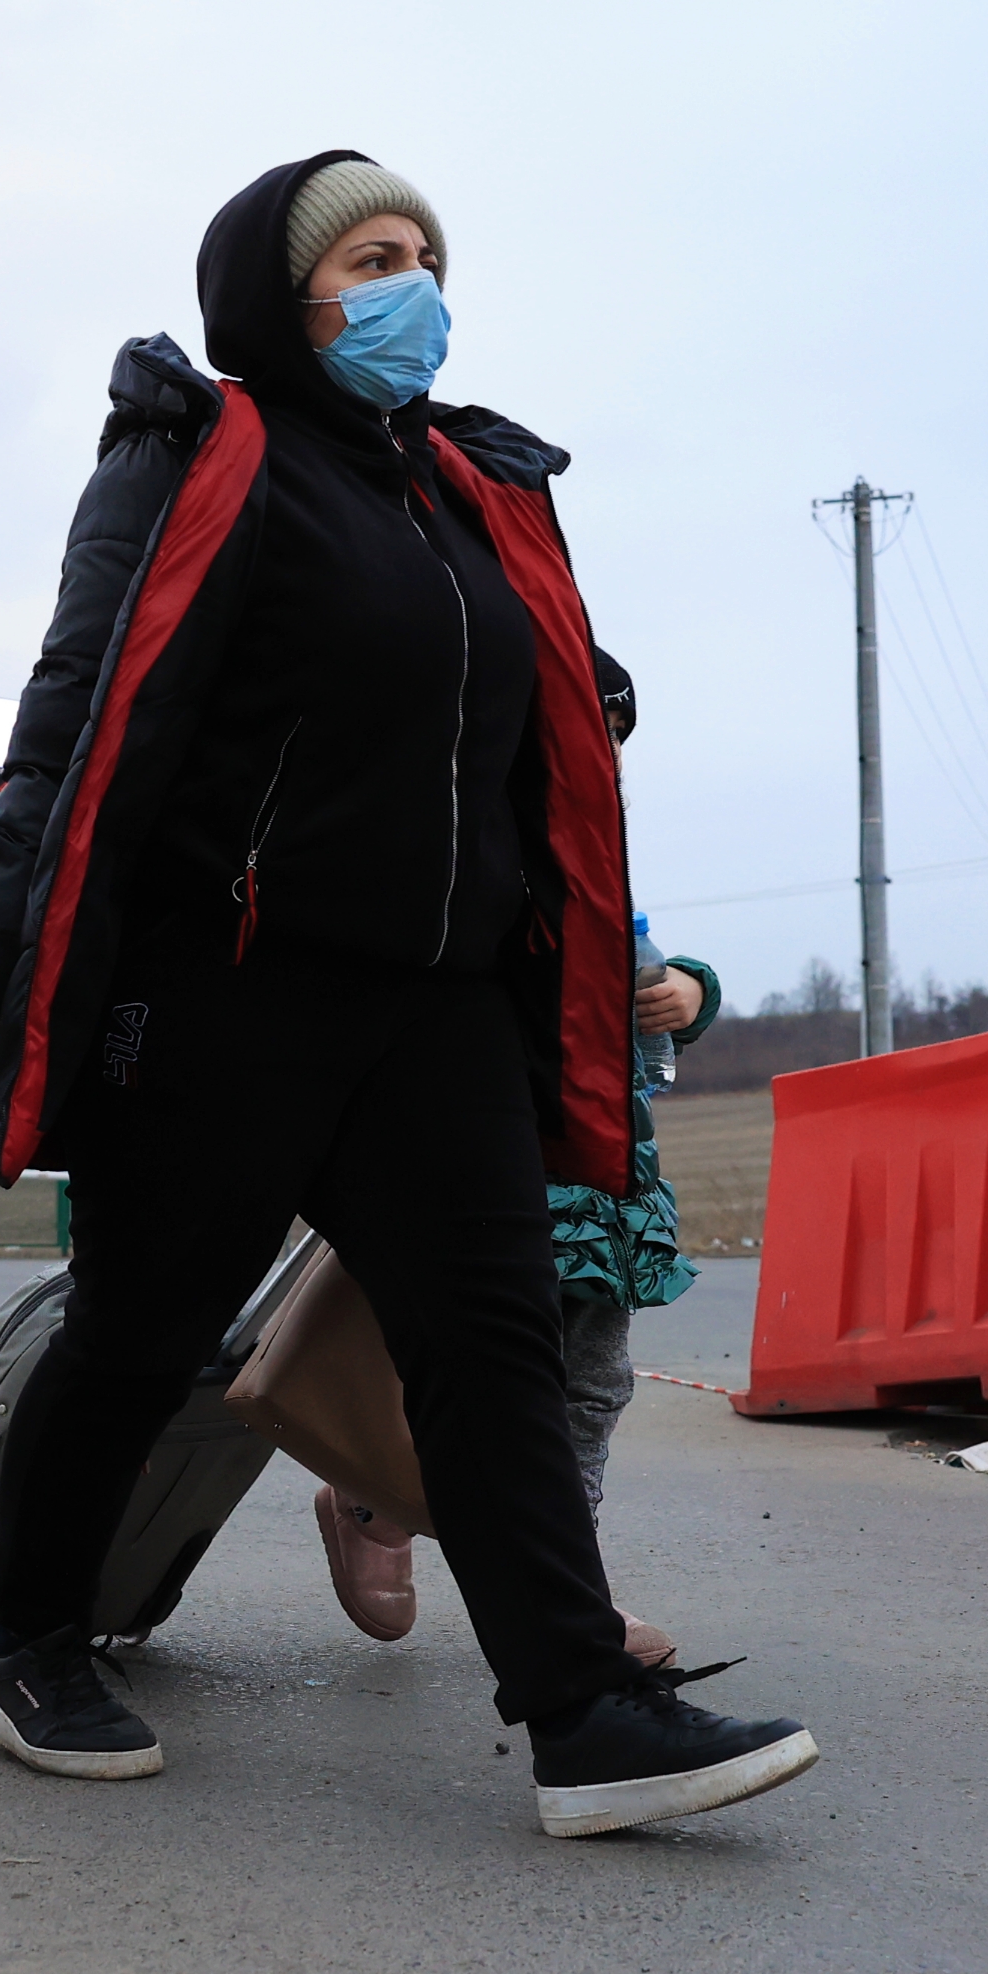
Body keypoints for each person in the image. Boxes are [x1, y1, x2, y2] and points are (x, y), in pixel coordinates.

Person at [0, 152, 815, 1836]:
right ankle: (24, 1636)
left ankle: (579, 1709)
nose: (410, 283)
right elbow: (73, 711)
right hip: (223, 992)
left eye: (426, 252)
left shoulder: (466, 488)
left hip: (436, 1001)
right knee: (142, 1331)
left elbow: (541, 735)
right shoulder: (202, 453)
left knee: (489, 1341)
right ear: (281, 291)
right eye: (371, 258)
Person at [315, 649, 711, 1660]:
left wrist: (688, 992)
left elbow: (638, 956)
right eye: (587, 739)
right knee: (473, 1367)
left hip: (605, 1168)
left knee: (591, 1381)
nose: (602, 767)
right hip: (490, 1154)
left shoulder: (593, 844)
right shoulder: (455, 828)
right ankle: (374, 1500)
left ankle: (570, 1591)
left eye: (616, 750)